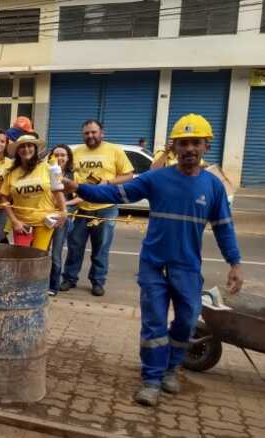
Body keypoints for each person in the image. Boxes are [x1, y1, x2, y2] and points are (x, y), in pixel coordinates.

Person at [62, 113, 243, 407]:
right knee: (155, 324)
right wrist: (80, 188)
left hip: (186, 268)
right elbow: (116, 192)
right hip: (154, 266)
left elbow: (224, 227)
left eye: (195, 143)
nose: (189, 150)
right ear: (174, 147)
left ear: (206, 146)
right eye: (183, 144)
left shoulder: (212, 186)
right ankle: (152, 379)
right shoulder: (156, 178)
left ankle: (171, 368)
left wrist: (234, 262)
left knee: (185, 322)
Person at [60, 120, 134, 297]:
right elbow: (66, 173)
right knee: (74, 246)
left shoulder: (114, 150)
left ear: (102, 133)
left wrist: (108, 182)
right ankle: (69, 278)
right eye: (86, 133)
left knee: (101, 248)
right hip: (81, 207)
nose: (90, 136)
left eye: (94, 132)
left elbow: (128, 175)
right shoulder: (76, 152)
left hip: (106, 207)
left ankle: (98, 281)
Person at [0, 134, 66, 251]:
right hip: (22, 223)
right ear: (17, 151)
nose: (26, 149)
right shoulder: (10, 173)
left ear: (35, 149)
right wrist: (14, 221)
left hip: (45, 222)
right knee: (21, 257)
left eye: (29, 146)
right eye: (22, 147)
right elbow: (4, 198)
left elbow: (58, 190)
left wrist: (64, 211)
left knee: (38, 257)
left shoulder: (48, 167)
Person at [48, 144, 82, 296]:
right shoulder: (45, 171)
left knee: (56, 254)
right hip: (44, 217)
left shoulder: (73, 175)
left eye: (63, 155)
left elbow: (80, 198)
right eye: (56, 155)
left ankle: (53, 286)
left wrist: (64, 205)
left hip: (62, 219)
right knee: (40, 252)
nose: (59, 158)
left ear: (68, 158)